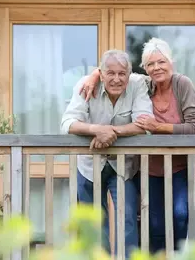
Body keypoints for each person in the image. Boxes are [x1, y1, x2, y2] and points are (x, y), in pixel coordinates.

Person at [78, 38, 195, 253]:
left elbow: (194, 128)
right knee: (152, 222)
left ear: (171, 62)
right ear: (145, 69)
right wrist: (95, 75)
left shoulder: (182, 85)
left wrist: (157, 127)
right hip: (149, 167)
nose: (157, 68)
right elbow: (116, 73)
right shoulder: (144, 84)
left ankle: (176, 256)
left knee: (180, 215)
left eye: (161, 62)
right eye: (151, 64)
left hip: (179, 166)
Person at [60, 49, 154, 258]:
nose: (116, 79)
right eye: (110, 73)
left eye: (122, 74)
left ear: (129, 75)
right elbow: (67, 123)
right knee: (94, 222)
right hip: (88, 165)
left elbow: (145, 124)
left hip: (124, 165)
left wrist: (112, 132)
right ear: (100, 74)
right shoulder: (86, 84)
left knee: (127, 217)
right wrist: (96, 130)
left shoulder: (137, 84)